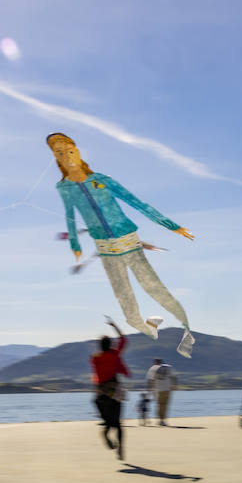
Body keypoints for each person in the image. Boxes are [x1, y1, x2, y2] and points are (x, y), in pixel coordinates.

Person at [49, 133, 198, 358]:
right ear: (56, 158)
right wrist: (74, 243)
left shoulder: (104, 180)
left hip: (128, 240)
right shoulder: (64, 188)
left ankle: (186, 331)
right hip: (105, 249)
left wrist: (171, 225)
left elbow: (137, 203)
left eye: (70, 150)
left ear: (78, 152)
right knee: (129, 314)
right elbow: (69, 215)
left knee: (155, 290)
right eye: (59, 152)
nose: (66, 156)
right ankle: (152, 328)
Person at [91, 318, 130, 459]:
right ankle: (120, 448)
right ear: (111, 345)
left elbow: (96, 375)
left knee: (108, 422)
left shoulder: (95, 358)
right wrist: (114, 325)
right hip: (114, 390)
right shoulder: (114, 355)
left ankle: (106, 434)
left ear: (100, 346)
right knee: (118, 423)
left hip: (101, 392)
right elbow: (124, 340)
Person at [146, 358, 178, 426]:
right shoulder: (168, 367)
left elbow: (150, 380)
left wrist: (149, 388)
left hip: (158, 389)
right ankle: (163, 420)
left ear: (155, 362)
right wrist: (174, 385)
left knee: (159, 405)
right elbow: (174, 377)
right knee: (165, 405)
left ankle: (161, 420)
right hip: (167, 389)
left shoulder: (153, 368)